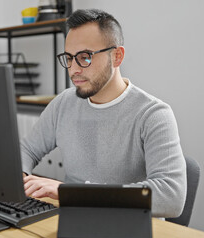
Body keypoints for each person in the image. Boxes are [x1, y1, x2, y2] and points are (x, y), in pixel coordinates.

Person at [21, 9, 186, 218]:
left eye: (84, 57)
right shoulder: (63, 103)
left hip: (128, 226)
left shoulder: (153, 115)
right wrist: (21, 176)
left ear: (117, 56)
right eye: (69, 58)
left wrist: (72, 194)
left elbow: (171, 196)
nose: (73, 69)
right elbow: (26, 149)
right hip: (75, 221)